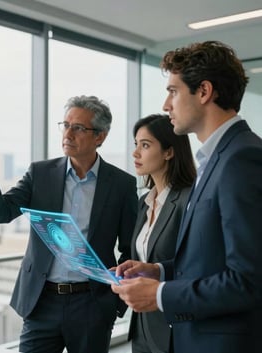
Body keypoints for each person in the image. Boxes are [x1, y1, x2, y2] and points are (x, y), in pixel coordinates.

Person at [111, 40, 262, 353]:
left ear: (204, 92)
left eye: (173, 91)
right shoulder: (217, 159)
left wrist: (160, 294)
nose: (167, 105)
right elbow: (212, 258)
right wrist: (159, 271)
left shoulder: (241, 158)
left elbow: (249, 280)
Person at [0, 95, 138, 353]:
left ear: (100, 137)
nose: (68, 134)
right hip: (42, 301)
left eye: (78, 128)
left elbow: (130, 249)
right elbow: (1, 213)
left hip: (91, 303)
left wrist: (116, 302)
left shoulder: (121, 184)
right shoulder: (41, 173)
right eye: (65, 125)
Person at [125, 114, 196, 353]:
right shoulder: (144, 202)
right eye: (136, 144)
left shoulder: (189, 199)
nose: (136, 153)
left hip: (174, 325)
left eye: (145, 145)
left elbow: (195, 264)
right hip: (143, 325)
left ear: (169, 151)